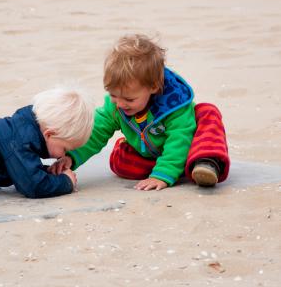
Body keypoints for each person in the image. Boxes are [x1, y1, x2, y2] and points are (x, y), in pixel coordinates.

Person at [49, 34, 230, 190]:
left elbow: (180, 139)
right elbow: (96, 132)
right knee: (120, 162)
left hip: (191, 147)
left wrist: (162, 175)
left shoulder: (174, 106)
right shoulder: (116, 106)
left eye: (129, 99)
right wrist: (72, 157)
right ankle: (179, 167)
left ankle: (206, 162)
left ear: (153, 87)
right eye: (113, 95)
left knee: (207, 111)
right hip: (151, 155)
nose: (119, 104)